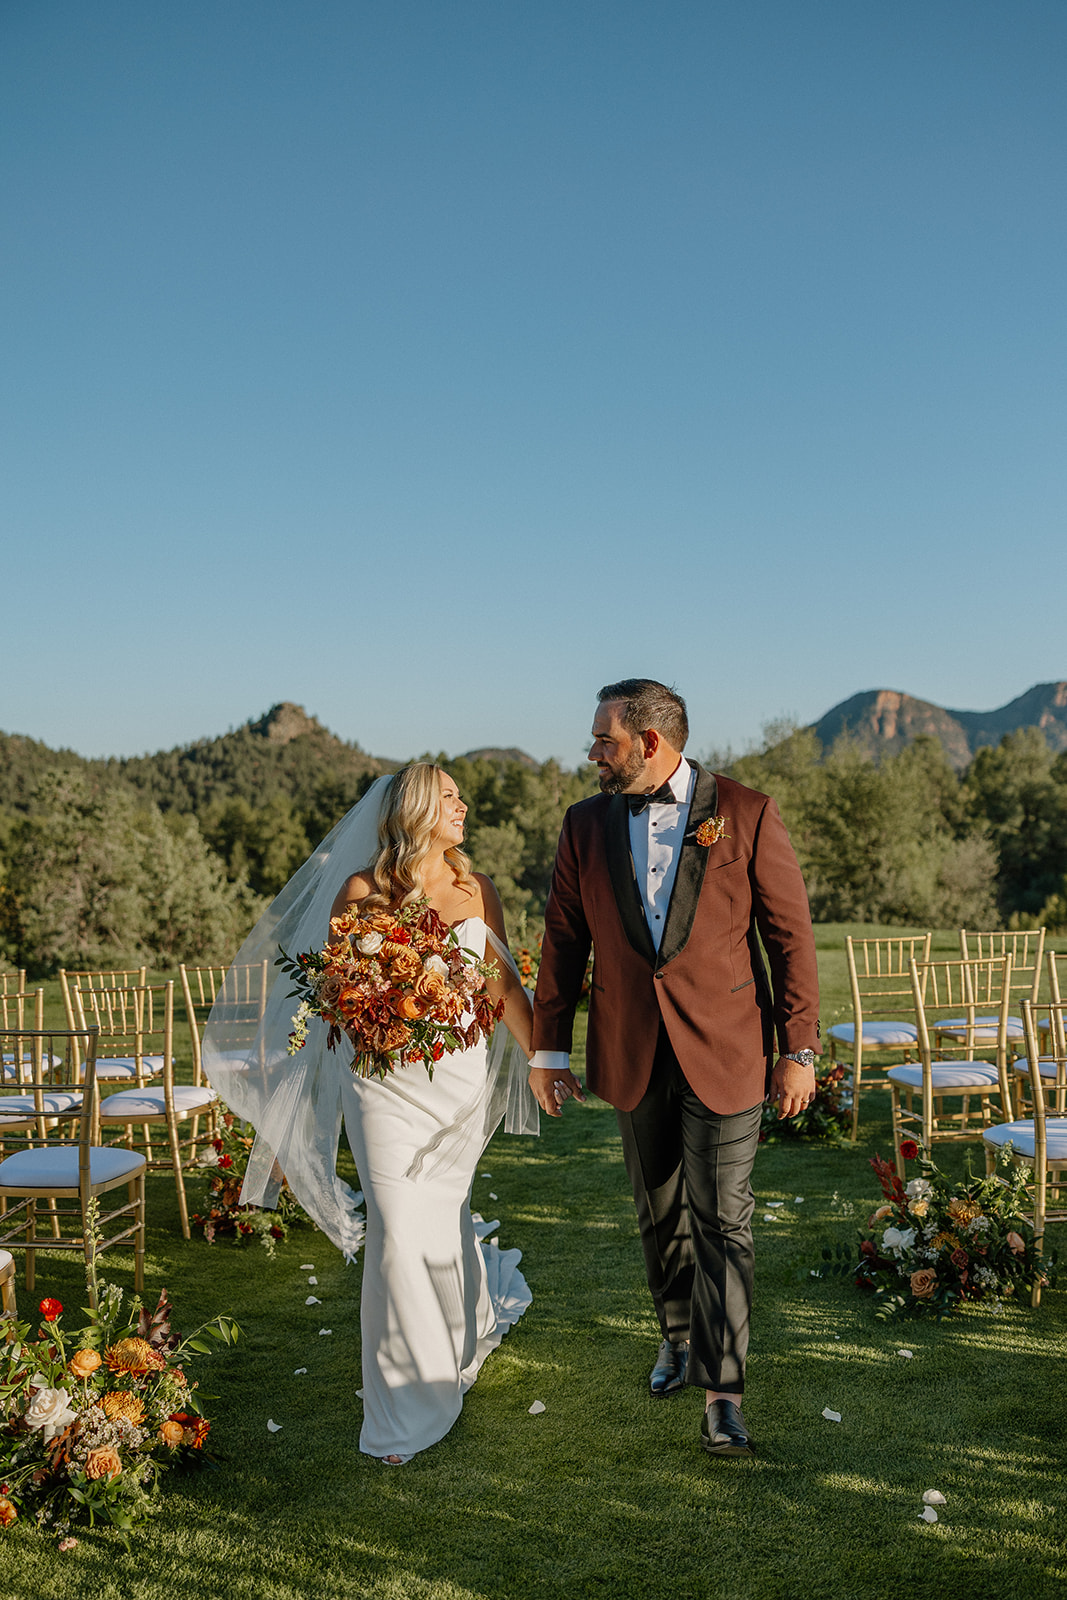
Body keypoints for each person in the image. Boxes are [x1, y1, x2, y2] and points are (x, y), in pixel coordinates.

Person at [203, 764, 537, 1465]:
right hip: (382, 1084)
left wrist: (544, 1062)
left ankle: (459, 1325)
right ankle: (403, 1411)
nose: (463, 806)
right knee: (393, 1229)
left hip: (457, 1082)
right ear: (416, 809)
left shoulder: (478, 890)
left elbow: (500, 984)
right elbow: (335, 994)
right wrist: (373, 1022)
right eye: (450, 797)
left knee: (443, 1216)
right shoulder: (360, 892)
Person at [528, 679, 819, 1459]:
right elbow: (562, 941)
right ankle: (678, 1338)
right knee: (659, 1213)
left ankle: (722, 1393)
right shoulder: (584, 823)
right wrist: (548, 1048)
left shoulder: (746, 812)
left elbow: (789, 939)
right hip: (630, 1050)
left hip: (726, 1051)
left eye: (604, 741)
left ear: (650, 742)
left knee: (723, 1218)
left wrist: (797, 1050)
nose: (591, 753)